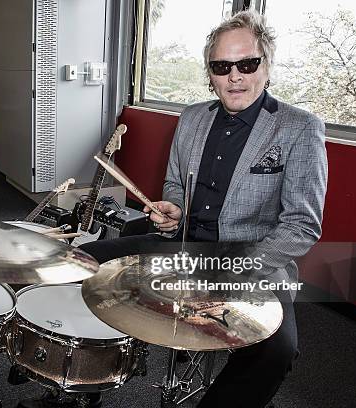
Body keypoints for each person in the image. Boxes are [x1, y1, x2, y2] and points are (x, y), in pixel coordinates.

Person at [79, 9, 328, 408]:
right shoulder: (192, 118)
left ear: (267, 64)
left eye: (247, 63)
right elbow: (176, 186)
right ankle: (78, 387)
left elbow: (301, 226)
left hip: (253, 260)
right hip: (186, 246)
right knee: (81, 262)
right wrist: (173, 210)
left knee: (276, 352)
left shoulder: (300, 127)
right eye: (221, 66)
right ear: (209, 72)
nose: (235, 76)